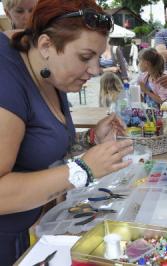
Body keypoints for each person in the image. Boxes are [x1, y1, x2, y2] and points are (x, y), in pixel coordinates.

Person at [0, 0, 134, 264]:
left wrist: (90, 139)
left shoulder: (49, 72)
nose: (95, 71)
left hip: (28, 234)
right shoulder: (6, 79)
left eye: (98, 57)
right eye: (85, 57)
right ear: (46, 46)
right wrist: (84, 170)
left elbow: (39, 149)